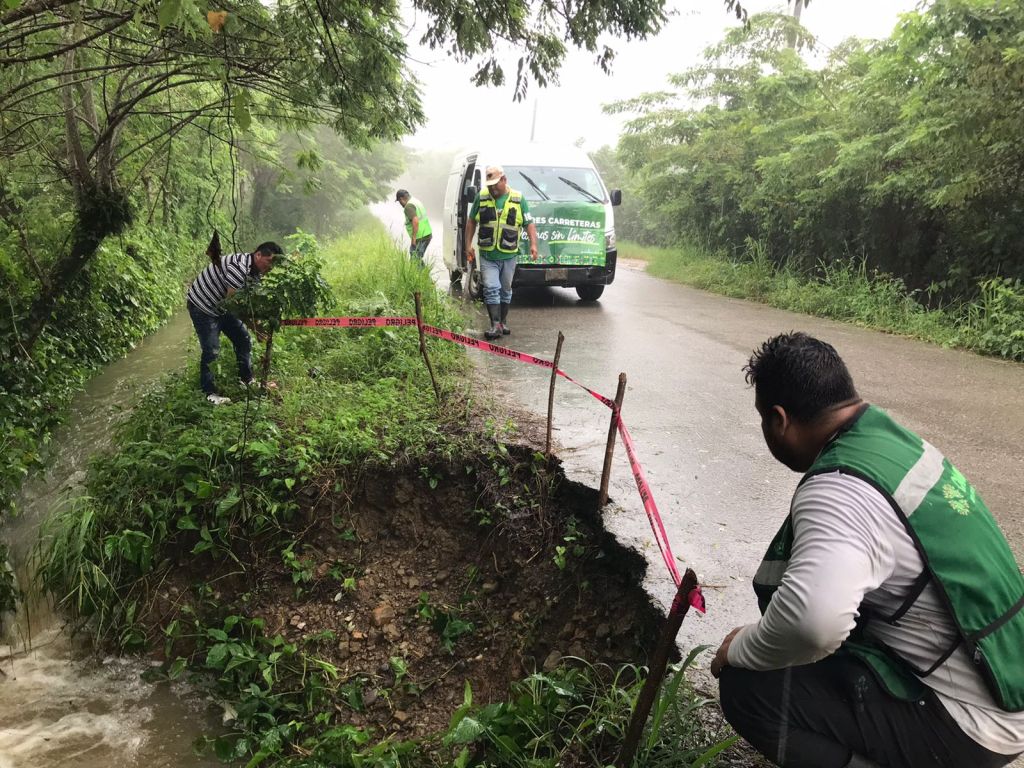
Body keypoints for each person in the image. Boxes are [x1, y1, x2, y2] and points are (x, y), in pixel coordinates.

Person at [712, 332, 1023, 768]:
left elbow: (811, 626)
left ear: (779, 420)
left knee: (748, 689)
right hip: (1008, 684)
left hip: (971, 726)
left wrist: (739, 647)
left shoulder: (838, 490)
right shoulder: (895, 444)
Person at [186, 236, 282, 405]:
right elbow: (234, 306)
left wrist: (257, 325)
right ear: (258, 255)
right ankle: (210, 394)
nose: (270, 267)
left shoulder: (256, 274)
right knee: (212, 350)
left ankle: (246, 380)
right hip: (203, 306)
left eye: (274, 264)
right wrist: (255, 327)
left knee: (243, 340)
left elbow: (248, 303)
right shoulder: (239, 268)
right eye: (269, 261)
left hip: (223, 305)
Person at [464, 165, 539, 340]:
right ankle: (495, 325)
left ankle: (503, 322)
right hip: (488, 254)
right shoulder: (481, 197)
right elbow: (471, 222)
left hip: (509, 254)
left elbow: (529, 223)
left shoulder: (518, 199)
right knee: (491, 288)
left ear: (504, 180)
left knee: (505, 289)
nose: (492, 188)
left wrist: (534, 245)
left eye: (495, 184)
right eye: (489, 185)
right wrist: (468, 245)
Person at [395, 189, 432, 265]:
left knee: (415, 260)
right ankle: (423, 275)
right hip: (427, 234)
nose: (400, 204)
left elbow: (415, 220)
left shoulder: (408, 206)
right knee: (417, 258)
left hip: (420, 237)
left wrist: (413, 238)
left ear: (401, 199)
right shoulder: (415, 201)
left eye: (399, 201)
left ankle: (422, 276)